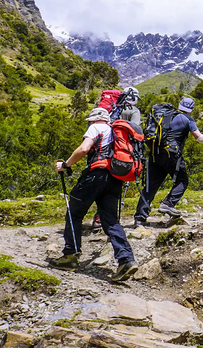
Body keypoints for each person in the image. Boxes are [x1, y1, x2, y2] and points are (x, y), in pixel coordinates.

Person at [50, 107, 139, 282]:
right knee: (111, 222)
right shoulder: (116, 132)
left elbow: (84, 149)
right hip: (115, 179)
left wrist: (65, 165)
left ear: (94, 119)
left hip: (96, 175)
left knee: (74, 213)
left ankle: (70, 256)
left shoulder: (97, 127)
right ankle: (126, 260)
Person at [134, 97, 203, 225]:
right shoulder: (187, 119)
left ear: (179, 105)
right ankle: (168, 204)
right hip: (171, 154)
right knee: (182, 180)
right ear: (191, 109)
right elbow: (199, 137)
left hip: (154, 153)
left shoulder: (167, 116)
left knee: (150, 186)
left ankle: (140, 218)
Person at [92, 86, 141, 231]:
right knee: (115, 187)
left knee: (101, 185)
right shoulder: (133, 111)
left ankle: (97, 217)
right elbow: (136, 131)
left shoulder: (112, 109)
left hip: (103, 153)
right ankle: (108, 220)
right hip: (121, 154)